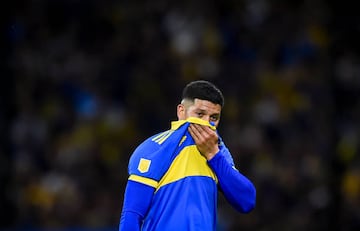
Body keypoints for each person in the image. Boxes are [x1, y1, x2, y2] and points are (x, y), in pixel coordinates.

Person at [119, 80, 256, 231]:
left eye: (214, 118)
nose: (206, 123)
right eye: (200, 114)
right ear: (181, 111)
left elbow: (246, 200)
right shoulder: (153, 148)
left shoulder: (218, 150)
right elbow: (131, 215)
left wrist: (213, 155)